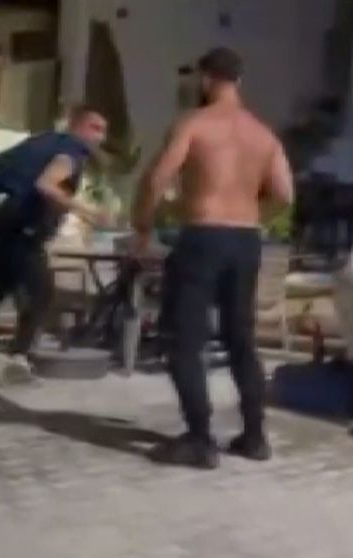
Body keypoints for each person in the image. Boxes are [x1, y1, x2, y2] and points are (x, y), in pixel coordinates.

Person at [130, 47, 294, 469]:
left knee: (184, 338)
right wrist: (251, 216)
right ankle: (254, 437)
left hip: (202, 236)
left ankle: (200, 439)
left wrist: (143, 225)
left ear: (206, 79)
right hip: (245, 240)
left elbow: (157, 178)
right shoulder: (264, 135)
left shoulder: (194, 124)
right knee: (241, 338)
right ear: (238, 80)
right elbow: (284, 194)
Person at [0, 104, 110, 383]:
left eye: (103, 131)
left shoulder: (35, 145)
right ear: (77, 126)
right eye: (95, 128)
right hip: (25, 229)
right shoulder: (71, 150)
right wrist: (89, 211)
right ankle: (18, 358)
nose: (101, 137)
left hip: (4, 225)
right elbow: (46, 184)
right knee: (42, 292)